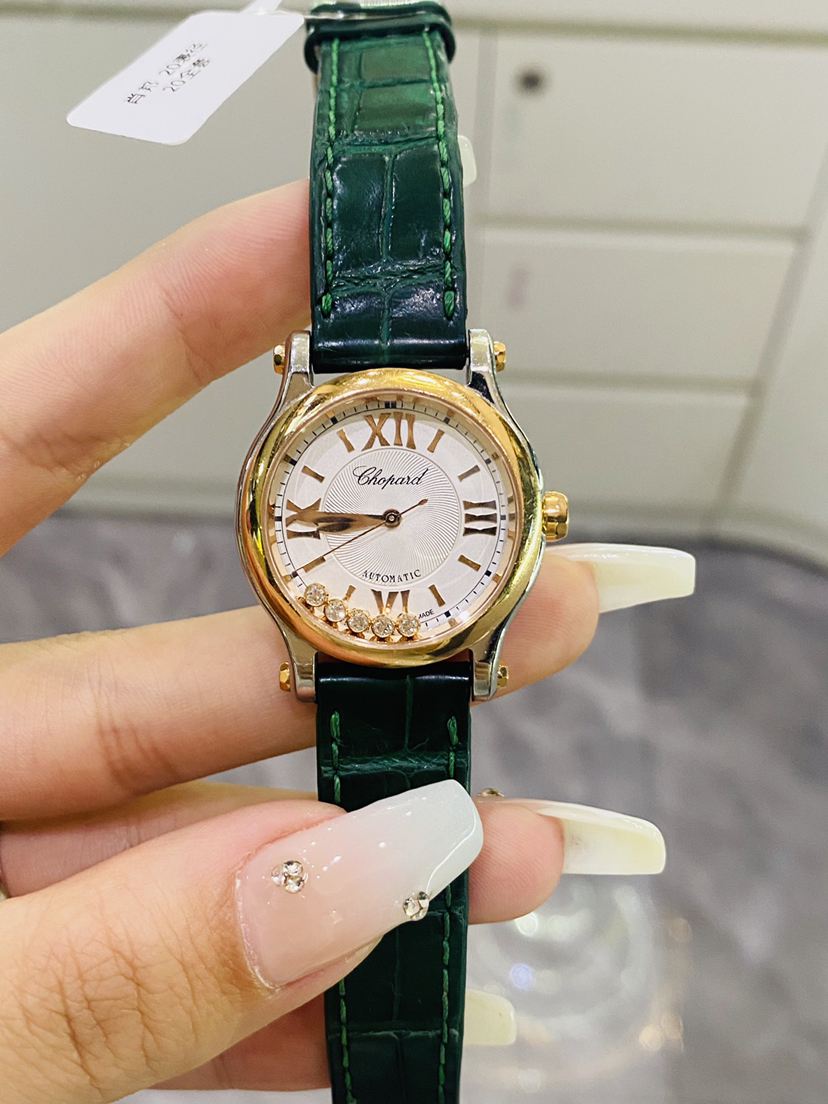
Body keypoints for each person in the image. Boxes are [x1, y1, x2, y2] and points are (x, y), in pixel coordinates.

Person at [0, 180, 691, 1102]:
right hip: (362, 638)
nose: (397, 515)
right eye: (382, 511)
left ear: (536, 519)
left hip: (428, 639)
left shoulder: (359, 419)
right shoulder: (327, 427)